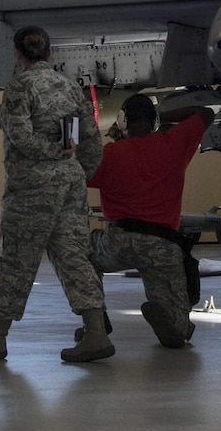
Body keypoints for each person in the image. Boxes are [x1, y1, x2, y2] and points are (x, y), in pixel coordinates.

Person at [0, 26, 112, 363]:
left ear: (17, 53)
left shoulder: (18, 88)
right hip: (70, 185)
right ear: (50, 53)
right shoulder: (70, 88)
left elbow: (21, 138)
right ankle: (95, 332)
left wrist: (53, 153)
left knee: (17, 261)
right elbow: (92, 141)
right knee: (73, 256)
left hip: (32, 189)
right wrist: (77, 171)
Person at [89, 95, 214, 349]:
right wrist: (163, 117)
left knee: (79, 253)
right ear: (153, 121)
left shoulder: (110, 154)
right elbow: (206, 113)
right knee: (179, 324)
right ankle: (174, 322)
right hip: (163, 244)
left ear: (123, 121)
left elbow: (79, 172)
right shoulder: (174, 144)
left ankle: (95, 323)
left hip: (118, 242)